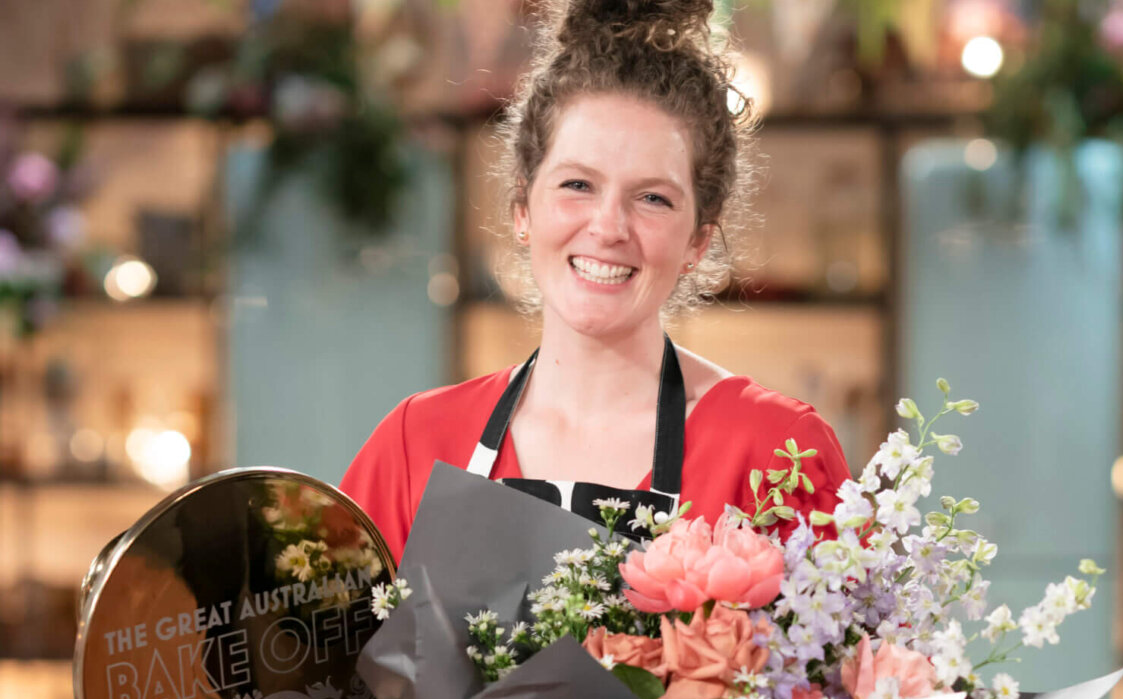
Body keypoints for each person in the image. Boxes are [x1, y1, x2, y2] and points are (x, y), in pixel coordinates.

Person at [341, 0, 852, 562]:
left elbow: (859, 647)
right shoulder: (416, 444)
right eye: (577, 185)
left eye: (653, 198)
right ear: (522, 209)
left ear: (698, 240)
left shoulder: (776, 453)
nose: (608, 227)